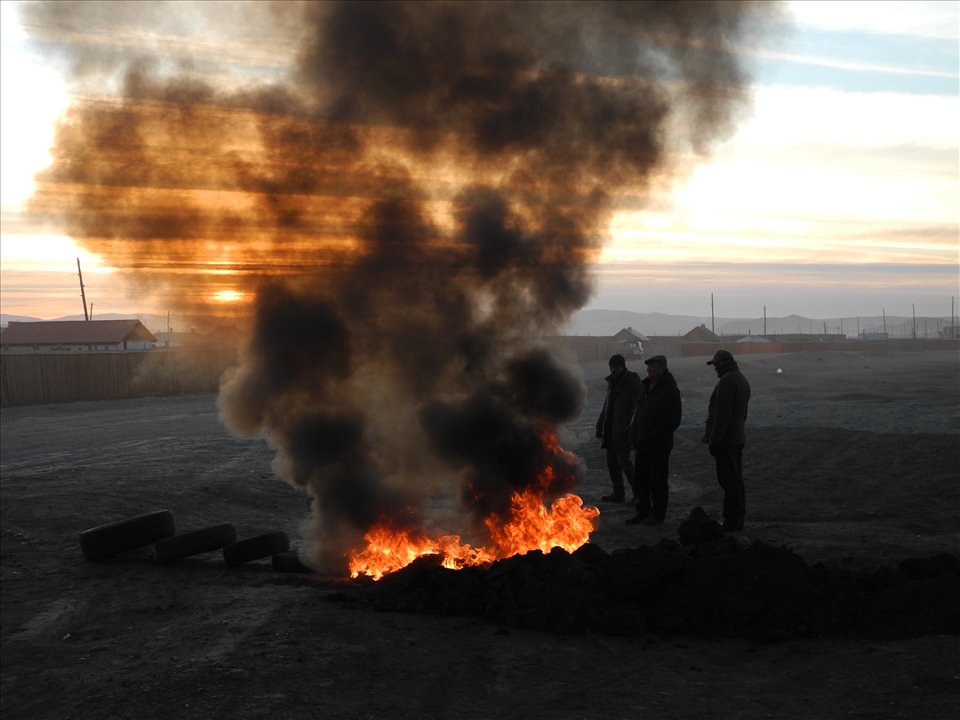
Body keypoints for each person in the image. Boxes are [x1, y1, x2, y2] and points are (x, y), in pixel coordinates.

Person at [625, 355, 682, 526]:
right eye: (648, 367)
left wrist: (654, 435)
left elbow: (672, 420)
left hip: (658, 445)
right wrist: (633, 433)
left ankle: (657, 515)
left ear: (662, 368)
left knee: (657, 480)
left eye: (652, 367)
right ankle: (642, 512)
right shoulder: (646, 388)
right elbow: (638, 413)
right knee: (640, 480)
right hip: (642, 444)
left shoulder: (670, 390)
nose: (649, 369)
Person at [703, 349, 751, 532]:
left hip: (727, 440)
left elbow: (722, 415)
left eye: (716, 364)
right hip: (737, 437)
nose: (714, 367)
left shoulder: (727, 381)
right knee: (736, 482)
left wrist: (714, 441)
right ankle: (737, 519)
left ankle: (732, 521)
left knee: (729, 483)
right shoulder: (741, 379)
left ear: (725, 362)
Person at [595, 354, 641, 503]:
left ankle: (639, 493)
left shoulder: (632, 383)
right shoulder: (612, 383)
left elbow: (637, 407)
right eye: (611, 367)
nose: (613, 370)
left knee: (624, 462)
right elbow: (607, 405)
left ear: (623, 366)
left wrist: (631, 427)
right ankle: (618, 492)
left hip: (624, 430)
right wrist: (600, 424)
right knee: (612, 462)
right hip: (610, 429)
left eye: (616, 367)